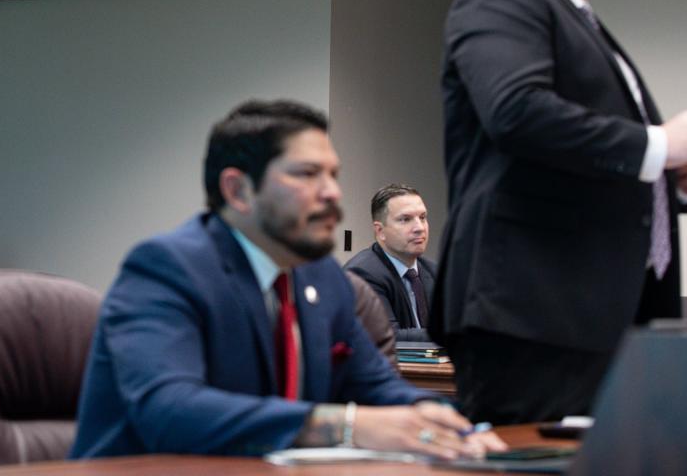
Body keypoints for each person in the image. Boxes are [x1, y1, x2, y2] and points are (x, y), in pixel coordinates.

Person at [433, 0, 687, 425]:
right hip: (532, 311)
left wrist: (670, 177)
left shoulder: (579, 20)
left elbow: (577, 155)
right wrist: (661, 146)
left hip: (590, 314)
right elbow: (516, 111)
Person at [71, 100, 505, 459]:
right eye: (306, 174)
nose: (333, 192)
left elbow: (376, 385)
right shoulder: (166, 267)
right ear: (238, 191)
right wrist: (346, 425)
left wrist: (444, 422)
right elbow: (169, 411)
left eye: (333, 175)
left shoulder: (321, 277)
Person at [346, 184, 438, 343]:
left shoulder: (433, 270)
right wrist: (451, 336)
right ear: (380, 231)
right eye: (405, 219)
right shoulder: (361, 274)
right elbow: (388, 336)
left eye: (422, 217)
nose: (420, 228)